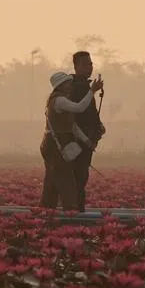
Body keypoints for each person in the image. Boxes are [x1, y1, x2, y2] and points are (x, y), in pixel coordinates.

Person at [40, 71, 103, 211]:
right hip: (55, 145)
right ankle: (71, 210)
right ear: (60, 86)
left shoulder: (61, 99)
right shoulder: (59, 100)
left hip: (53, 144)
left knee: (51, 179)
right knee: (65, 178)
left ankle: (46, 208)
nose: (70, 85)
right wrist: (92, 91)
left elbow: (72, 126)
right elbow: (80, 108)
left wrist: (87, 141)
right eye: (67, 83)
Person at [64, 51, 106, 211]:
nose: (90, 67)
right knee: (78, 179)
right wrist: (87, 139)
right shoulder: (75, 88)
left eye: (91, 64)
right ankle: (76, 212)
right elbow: (76, 114)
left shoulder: (86, 86)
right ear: (76, 67)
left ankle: (77, 210)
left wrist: (98, 126)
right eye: (86, 64)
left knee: (82, 178)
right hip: (78, 141)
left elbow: (90, 112)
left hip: (88, 140)